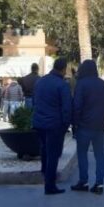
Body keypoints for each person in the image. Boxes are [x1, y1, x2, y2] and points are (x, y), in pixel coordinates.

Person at [71, 60, 104, 194]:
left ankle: (84, 181)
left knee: (82, 154)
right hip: (99, 126)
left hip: (84, 125)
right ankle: (99, 183)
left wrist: (75, 123)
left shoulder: (81, 84)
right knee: (99, 154)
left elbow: (77, 106)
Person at [33, 58, 72, 195]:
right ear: (63, 69)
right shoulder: (62, 85)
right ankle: (50, 185)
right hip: (55, 124)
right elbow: (67, 108)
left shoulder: (40, 81)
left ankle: (44, 172)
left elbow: (34, 101)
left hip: (39, 122)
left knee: (44, 149)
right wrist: (66, 124)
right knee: (53, 154)